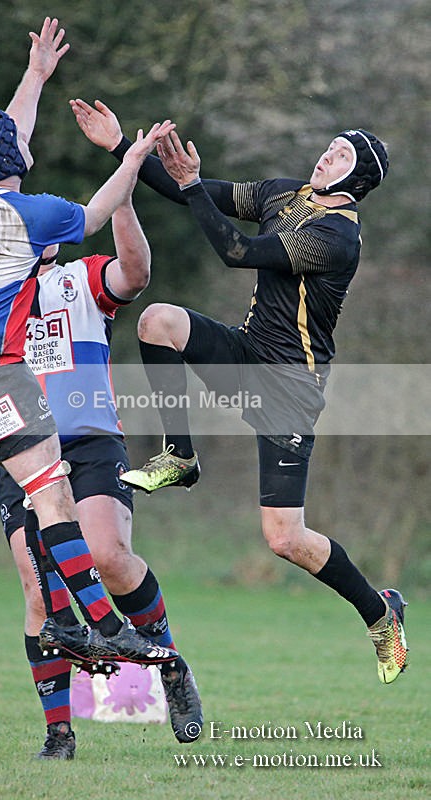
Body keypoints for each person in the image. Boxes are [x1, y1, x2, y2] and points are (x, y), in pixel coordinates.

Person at [71, 98, 409, 686]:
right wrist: (123, 145)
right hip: (245, 355)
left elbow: (238, 253)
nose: (328, 153)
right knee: (158, 323)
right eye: (332, 144)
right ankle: (179, 455)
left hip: (289, 392)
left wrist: (194, 185)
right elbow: (185, 192)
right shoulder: (285, 193)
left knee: (285, 538)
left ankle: (380, 613)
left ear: (356, 179)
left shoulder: (337, 238)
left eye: (343, 154)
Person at [0, 19, 179, 679]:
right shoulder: (29, 216)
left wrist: (35, 75)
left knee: (47, 498)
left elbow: (9, 133)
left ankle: (80, 626)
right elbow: (95, 216)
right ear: (14, 159)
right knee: (54, 498)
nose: (22, 138)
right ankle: (102, 629)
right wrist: (129, 159)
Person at [0, 197, 202, 759]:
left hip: (88, 442)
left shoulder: (79, 280)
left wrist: (124, 196)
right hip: (19, 449)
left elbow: (136, 272)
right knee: (41, 594)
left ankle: (171, 667)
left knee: (107, 556)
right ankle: (59, 734)